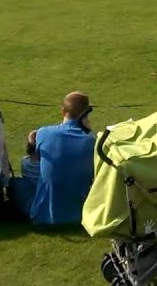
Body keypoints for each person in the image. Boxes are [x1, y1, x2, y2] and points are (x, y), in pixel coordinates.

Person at [30, 92, 96, 226]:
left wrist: (32, 142)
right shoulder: (91, 141)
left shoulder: (43, 133)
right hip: (80, 215)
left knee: (25, 167)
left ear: (63, 111)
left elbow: (35, 152)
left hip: (43, 216)